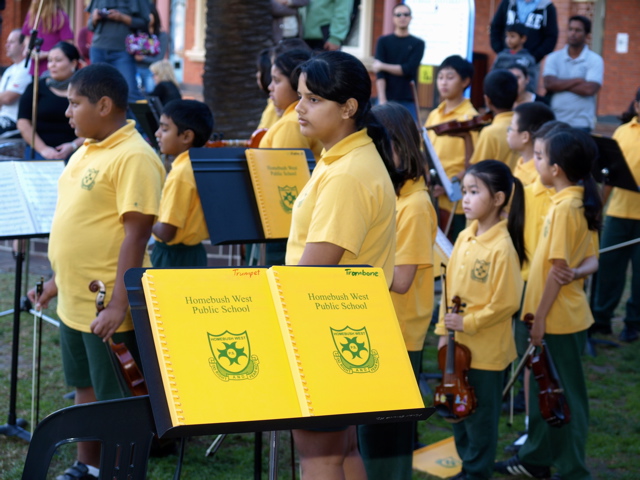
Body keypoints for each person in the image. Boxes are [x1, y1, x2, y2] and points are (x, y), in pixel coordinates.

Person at [27, 63, 164, 480]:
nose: (67, 112)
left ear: (104, 105)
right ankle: (87, 465)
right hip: (74, 299)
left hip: (106, 304)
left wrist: (118, 307)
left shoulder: (135, 156)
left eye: (74, 103)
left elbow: (135, 238)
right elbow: (79, 222)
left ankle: (116, 471)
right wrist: (55, 283)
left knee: (113, 399)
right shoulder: (88, 147)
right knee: (84, 386)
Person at [287, 50, 397, 479]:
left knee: (321, 454)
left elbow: (314, 272)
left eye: (313, 99)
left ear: (348, 108)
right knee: (342, 450)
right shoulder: (343, 159)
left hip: (329, 324)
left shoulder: (348, 173)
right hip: (347, 325)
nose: (299, 108)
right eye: (300, 96)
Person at [495, 128, 601, 480]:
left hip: (556, 320)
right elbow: (588, 262)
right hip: (555, 315)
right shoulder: (571, 201)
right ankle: (536, 457)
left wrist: (538, 321)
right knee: (547, 392)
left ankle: (573, 470)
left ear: (555, 169)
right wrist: (572, 275)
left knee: (566, 397)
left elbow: (557, 272)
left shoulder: (565, 209)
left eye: (539, 156)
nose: (533, 162)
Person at [358, 102, 437, 480]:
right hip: (380, 327)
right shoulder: (394, 195)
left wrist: (353, 268)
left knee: (386, 439)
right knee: (371, 434)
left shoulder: (416, 205)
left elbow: (402, 280)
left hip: (399, 334)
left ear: (399, 148)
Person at [436, 159, 525, 480]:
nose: (467, 199)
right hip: (456, 348)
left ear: (498, 199)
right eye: (465, 192)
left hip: (487, 353)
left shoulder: (503, 247)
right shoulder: (464, 236)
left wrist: (468, 323)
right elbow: (448, 291)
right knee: (457, 409)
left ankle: (477, 471)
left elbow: (507, 302)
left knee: (481, 415)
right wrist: (442, 330)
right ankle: (467, 464)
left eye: (475, 192)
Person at [592, 88, 640, 342]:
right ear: (637, 106)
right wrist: (599, 208)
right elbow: (611, 174)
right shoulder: (622, 132)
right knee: (609, 268)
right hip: (619, 212)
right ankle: (601, 319)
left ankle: (633, 323)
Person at [152, 99, 213, 268]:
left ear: (186, 136)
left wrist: (146, 217)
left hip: (172, 259)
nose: (157, 133)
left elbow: (166, 232)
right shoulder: (198, 163)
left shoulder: (180, 174)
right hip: (195, 254)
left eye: (164, 129)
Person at [424, 55, 478, 241]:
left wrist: (450, 185)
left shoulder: (470, 118)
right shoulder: (434, 114)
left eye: (450, 77)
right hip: (433, 196)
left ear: (465, 81)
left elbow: (475, 163)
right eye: (441, 77)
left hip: (458, 201)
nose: (443, 82)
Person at [17, 42, 84, 161]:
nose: (52, 65)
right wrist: (43, 149)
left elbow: (95, 124)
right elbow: (23, 122)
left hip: (77, 150)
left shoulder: (85, 89)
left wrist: (73, 145)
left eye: (58, 60)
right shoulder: (36, 87)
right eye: (50, 60)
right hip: (39, 151)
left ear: (73, 63)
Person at [543, 15, 604, 132]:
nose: (573, 33)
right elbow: (549, 84)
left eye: (578, 30)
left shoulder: (595, 60)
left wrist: (559, 84)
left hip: (581, 124)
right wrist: (577, 80)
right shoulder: (553, 58)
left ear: (587, 36)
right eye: (570, 29)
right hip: (555, 121)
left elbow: (589, 89)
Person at [86, 0, 150, 101]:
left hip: (123, 51)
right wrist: (94, 18)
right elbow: (90, 26)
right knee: (96, 92)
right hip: (98, 48)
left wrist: (122, 17)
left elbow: (145, 24)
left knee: (130, 92)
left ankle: (132, 117)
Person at [372, 3, 425, 121]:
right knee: (381, 135)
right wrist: (382, 99)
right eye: (398, 15)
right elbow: (379, 74)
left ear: (410, 18)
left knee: (408, 137)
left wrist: (382, 65)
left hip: (408, 99)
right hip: (386, 98)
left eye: (406, 14)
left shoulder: (418, 43)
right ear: (393, 18)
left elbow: (408, 69)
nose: (402, 17)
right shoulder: (383, 41)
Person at [469, 69, 519, 171]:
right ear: (517, 97)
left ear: (487, 100)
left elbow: (477, 171)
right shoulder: (526, 125)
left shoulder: (489, 133)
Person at [490, 0, 558, 64]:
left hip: (530, 63)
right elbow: (495, 27)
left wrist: (535, 57)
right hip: (504, 60)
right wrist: (501, 51)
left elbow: (551, 36)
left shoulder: (547, 6)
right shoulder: (508, 2)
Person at [21, 0, 74, 76]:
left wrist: (46, 54)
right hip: (35, 67)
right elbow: (27, 37)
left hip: (53, 68)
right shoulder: (32, 15)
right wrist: (28, 49)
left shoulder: (60, 16)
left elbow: (67, 44)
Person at [507, 102, 555, 186]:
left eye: (511, 128)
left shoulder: (539, 175)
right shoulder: (522, 162)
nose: (508, 132)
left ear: (525, 137)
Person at [0, 29, 31, 137]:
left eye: (12, 42)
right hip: (3, 118)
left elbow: (7, 98)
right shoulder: (10, 70)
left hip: (14, 121)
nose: (6, 45)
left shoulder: (28, 67)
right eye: (7, 42)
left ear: (23, 46)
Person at [492, 23, 537, 93]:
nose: (508, 40)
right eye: (507, 36)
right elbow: (493, 76)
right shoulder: (501, 56)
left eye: (512, 36)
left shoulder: (528, 59)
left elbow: (531, 82)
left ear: (523, 38)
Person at [135, 4, 169, 94]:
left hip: (151, 71)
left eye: (149, 14)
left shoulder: (162, 35)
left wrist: (143, 58)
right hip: (135, 69)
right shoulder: (137, 33)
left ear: (154, 15)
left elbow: (159, 58)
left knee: (151, 95)